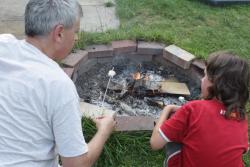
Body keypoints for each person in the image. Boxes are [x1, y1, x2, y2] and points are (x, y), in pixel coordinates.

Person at [0, 0, 116, 167]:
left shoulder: (3, 44)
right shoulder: (59, 85)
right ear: (59, 33)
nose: (76, 38)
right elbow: (76, 164)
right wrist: (104, 130)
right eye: (76, 32)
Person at [150, 52, 250, 167]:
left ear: (215, 83)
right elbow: (244, 149)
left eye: (205, 76)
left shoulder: (193, 109)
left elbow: (154, 143)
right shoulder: (240, 116)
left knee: (173, 120)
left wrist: (167, 109)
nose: (202, 80)